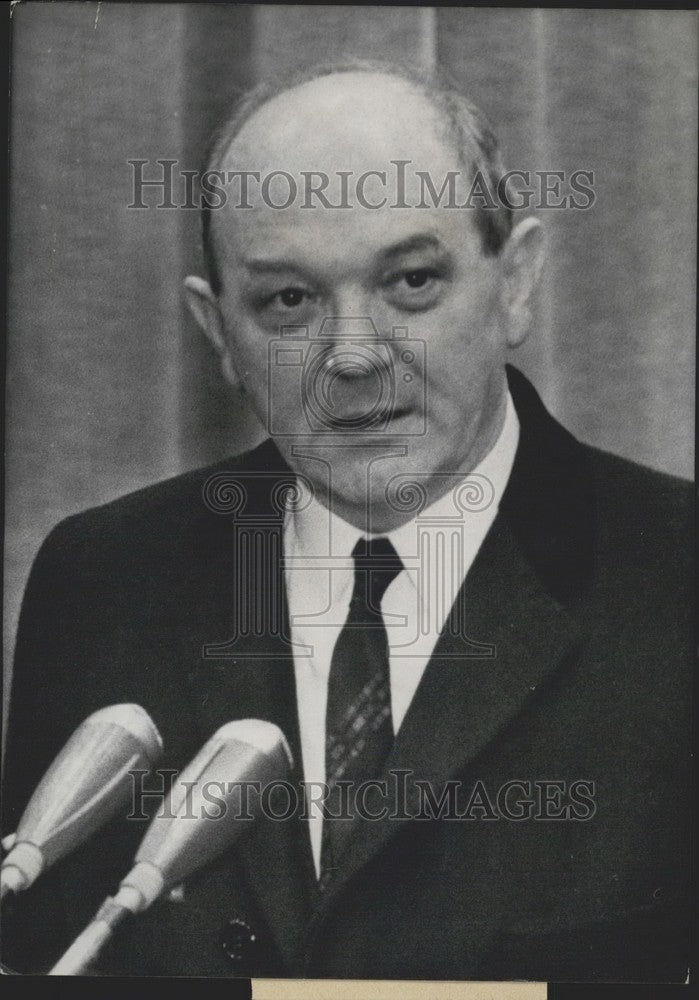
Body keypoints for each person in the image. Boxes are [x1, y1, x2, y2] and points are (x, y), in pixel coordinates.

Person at [1, 61, 691, 981]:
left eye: (409, 281)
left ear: (515, 283)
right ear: (219, 337)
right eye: (288, 301)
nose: (354, 355)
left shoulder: (676, 579)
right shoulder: (103, 581)